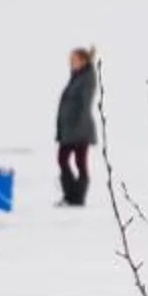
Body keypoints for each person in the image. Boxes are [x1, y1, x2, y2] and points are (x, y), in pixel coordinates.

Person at [55, 46, 100, 206]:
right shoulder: (75, 77)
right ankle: (71, 196)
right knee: (63, 160)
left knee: (79, 162)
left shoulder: (87, 79)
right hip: (69, 130)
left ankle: (77, 197)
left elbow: (84, 104)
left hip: (80, 129)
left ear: (82, 61)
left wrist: (75, 127)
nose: (70, 63)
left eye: (73, 60)